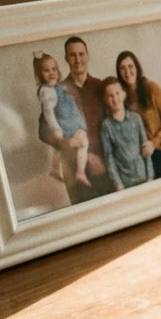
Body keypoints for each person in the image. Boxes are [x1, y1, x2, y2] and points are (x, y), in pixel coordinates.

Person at [38, 36, 108, 203]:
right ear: (66, 58)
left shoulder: (100, 87)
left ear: (87, 56)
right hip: (74, 167)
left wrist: (102, 159)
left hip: (103, 167)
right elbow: (43, 129)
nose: (77, 60)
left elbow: (113, 125)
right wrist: (65, 141)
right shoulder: (57, 89)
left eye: (81, 54)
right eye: (72, 55)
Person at [116, 51, 161, 178]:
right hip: (143, 160)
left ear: (137, 68)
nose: (127, 72)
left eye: (130, 66)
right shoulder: (122, 99)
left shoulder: (151, 88)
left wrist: (154, 143)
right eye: (122, 68)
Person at [33, 51, 89, 190]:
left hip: (72, 122)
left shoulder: (58, 86)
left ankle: (80, 172)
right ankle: (57, 168)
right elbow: (49, 113)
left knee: (84, 141)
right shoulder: (46, 91)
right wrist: (56, 128)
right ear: (40, 74)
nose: (51, 73)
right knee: (62, 145)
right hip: (62, 124)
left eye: (54, 69)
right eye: (46, 71)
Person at [98, 77, 152, 191]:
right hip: (125, 182)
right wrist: (118, 184)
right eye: (110, 96)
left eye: (117, 93)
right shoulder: (106, 126)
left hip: (143, 176)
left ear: (124, 94)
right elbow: (109, 157)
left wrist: (150, 176)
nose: (115, 99)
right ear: (105, 100)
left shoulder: (136, 119)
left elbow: (145, 148)